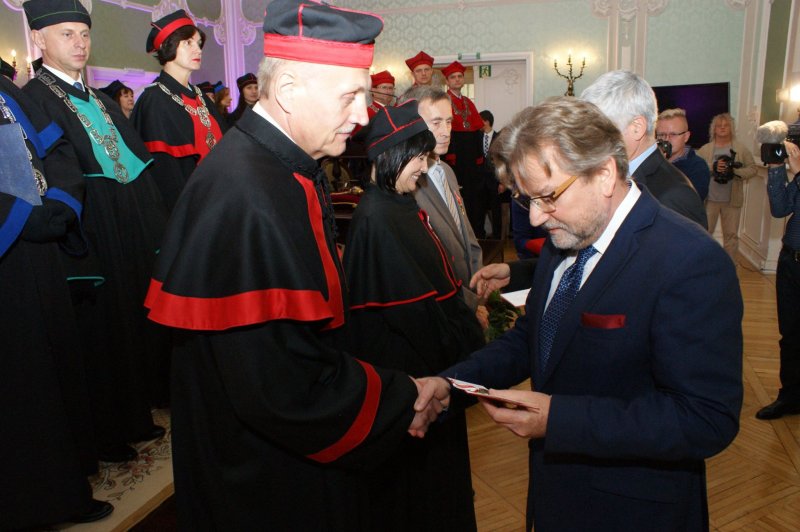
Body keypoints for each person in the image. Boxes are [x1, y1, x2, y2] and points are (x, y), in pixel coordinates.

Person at [143, 1, 445, 528]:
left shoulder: (276, 167)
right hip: (262, 478)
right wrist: (402, 398)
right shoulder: (248, 194)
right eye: (349, 96)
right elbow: (281, 384)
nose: (363, 115)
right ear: (287, 90)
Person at [425, 97, 743, 531]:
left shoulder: (689, 260)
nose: (537, 217)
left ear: (605, 174)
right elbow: (533, 337)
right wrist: (451, 385)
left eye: (547, 196)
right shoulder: (568, 234)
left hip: (633, 513)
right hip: (555, 495)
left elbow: (706, 419)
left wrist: (559, 420)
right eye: (526, 199)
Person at [23, 0, 168, 463]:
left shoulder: (102, 99)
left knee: (130, 320)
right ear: (39, 39)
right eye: (66, 34)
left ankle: (136, 413)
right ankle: (108, 430)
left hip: (127, 224)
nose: (80, 43)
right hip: (90, 229)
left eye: (84, 33)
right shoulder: (33, 98)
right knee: (101, 332)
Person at [342, 101, 483, 531]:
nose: (424, 167)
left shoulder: (396, 204)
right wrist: (465, 349)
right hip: (414, 381)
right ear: (392, 155)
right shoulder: (378, 217)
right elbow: (414, 314)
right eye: (418, 157)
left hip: (431, 372)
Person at [0, 63, 114, 527]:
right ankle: (37, 502)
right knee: (22, 383)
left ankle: (67, 484)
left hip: (42, 247)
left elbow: (59, 148)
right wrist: (21, 218)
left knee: (58, 365)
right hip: (9, 250)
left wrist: (62, 204)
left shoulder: (7, 88)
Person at [399, 86, 486, 321]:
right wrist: (467, 304)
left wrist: (478, 284)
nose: (446, 132)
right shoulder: (407, 183)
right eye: (436, 123)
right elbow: (425, 265)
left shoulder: (447, 171)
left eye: (448, 122)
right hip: (442, 309)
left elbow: (466, 235)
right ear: (411, 124)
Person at [581, 70, 708, 229]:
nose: (592, 141)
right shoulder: (613, 174)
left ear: (637, 128)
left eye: (600, 130)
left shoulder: (674, 194)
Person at [131, 9, 224, 213]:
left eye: (199, 43)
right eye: (188, 43)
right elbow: (166, 176)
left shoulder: (200, 95)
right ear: (168, 46)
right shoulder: (154, 100)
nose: (198, 50)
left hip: (219, 199)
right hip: (190, 208)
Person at [757, 140, 800, 420]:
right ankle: (790, 397)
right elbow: (780, 208)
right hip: (790, 262)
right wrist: (775, 168)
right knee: (791, 335)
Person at [698, 112, 757, 261]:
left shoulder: (740, 149)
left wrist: (735, 172)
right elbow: (696, 168)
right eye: (719, 126)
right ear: (714, 129)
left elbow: (753, 169)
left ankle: (730, 267)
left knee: (731, 236)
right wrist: (713, 167)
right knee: (704, 233)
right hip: (709, 200)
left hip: (732, 201)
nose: (723, 128)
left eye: (726, 125)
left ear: (731, 128)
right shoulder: (705, 149)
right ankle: (703, 265)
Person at [443, 61, 487, 237]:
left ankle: (476, 232)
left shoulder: (468, 101)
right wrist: (450, 155)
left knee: (473, 196)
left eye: (459, 76)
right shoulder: (444, 101)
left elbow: (477, 131)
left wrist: (479, 156)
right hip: (455, 155)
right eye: (453, 77)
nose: (457, 79)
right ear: (447, 81)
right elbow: (446, 131)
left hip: (471, 156)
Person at [656, 107, 710, 201]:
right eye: (661, 134)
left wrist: (663, 166)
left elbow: (689, 202)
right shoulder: (651, 161)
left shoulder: (698, 167)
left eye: (673, 134)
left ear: (686, 137)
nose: (666, 139)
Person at [480, 109, 508, 239]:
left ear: (486, 121)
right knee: (480, 210)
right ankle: (481, 237)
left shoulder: (499, 138)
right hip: (480, 181)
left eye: (480, 120)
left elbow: (503, 161)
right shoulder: (476, 137)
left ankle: (498, 238)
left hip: (495, 181)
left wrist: (503, 182)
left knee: (496, 211)